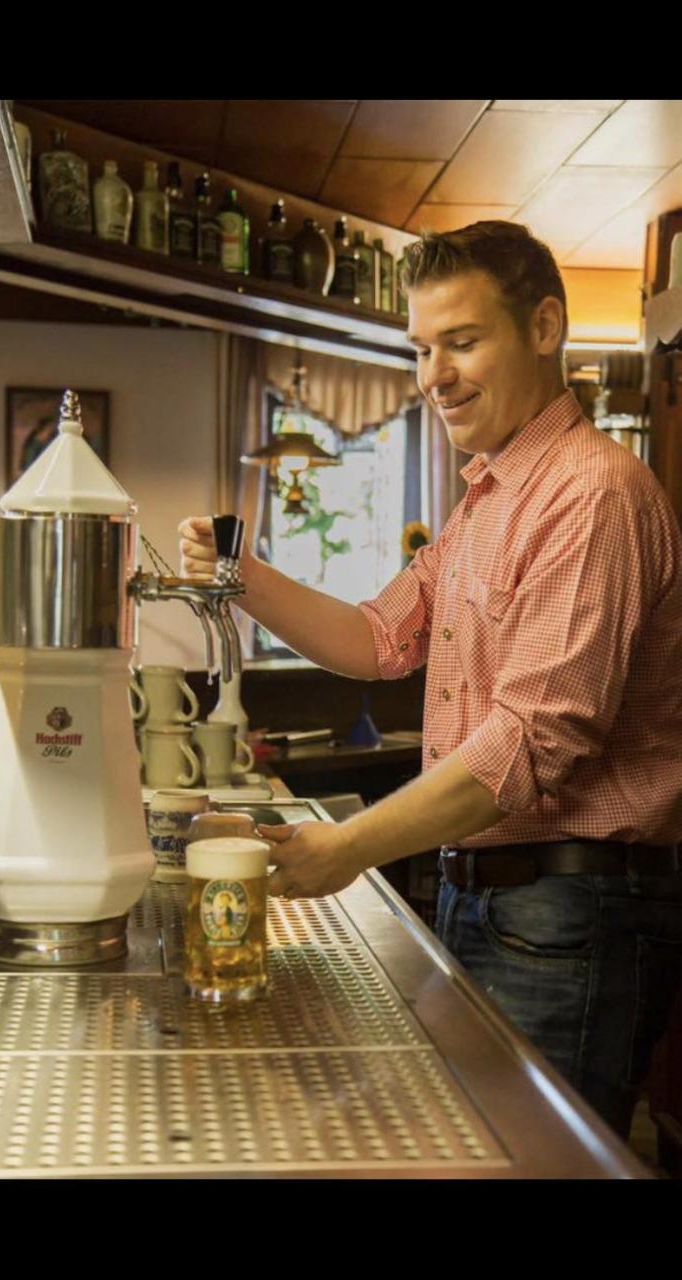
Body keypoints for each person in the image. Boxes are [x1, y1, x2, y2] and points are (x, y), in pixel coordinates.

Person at [179, 221, 682, 1138]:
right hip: (489, 893)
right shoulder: (488, 497)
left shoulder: (593, 494)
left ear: (542, 327)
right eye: (419, 348)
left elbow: (534, 740)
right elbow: (378, 639)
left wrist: (349, 847)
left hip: (567, 906)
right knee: (471, 1145)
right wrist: (235, 573)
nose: (432, 376)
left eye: (461, 341)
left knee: (529, 1158)